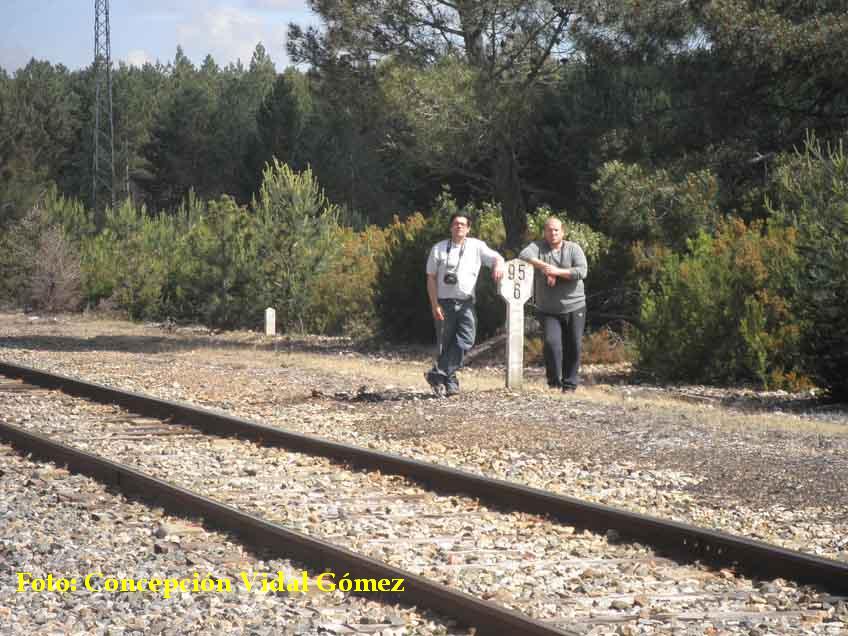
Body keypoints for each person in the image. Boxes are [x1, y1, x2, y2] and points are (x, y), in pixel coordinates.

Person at [425, 213, 505, 397]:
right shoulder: (438, 248)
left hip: (466, 302)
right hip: (444, 302)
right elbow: (431, 278)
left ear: (468, 228)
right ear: (450, 227)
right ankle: (450, 384)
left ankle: (437, 374)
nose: (459, 226)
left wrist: (499, 265)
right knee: (445, 344)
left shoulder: (476, 246)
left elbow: (496, 257)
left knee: (467, 339)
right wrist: (435, 304)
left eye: (463, 224)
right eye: (455, 224)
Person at [519, 217, 588, 391]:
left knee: (573, 345)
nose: (553, 233)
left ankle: (570, 384)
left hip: (574, 306)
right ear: (544, 232)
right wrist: (545, 267)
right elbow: (524, 255)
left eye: (556, 230)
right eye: (549, 230)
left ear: (563, 232)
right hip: (548, 309)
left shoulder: (573, 248)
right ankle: (554, 383)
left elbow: (582, 271)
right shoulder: (538, 247)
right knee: (551, 344)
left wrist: (557, 272)